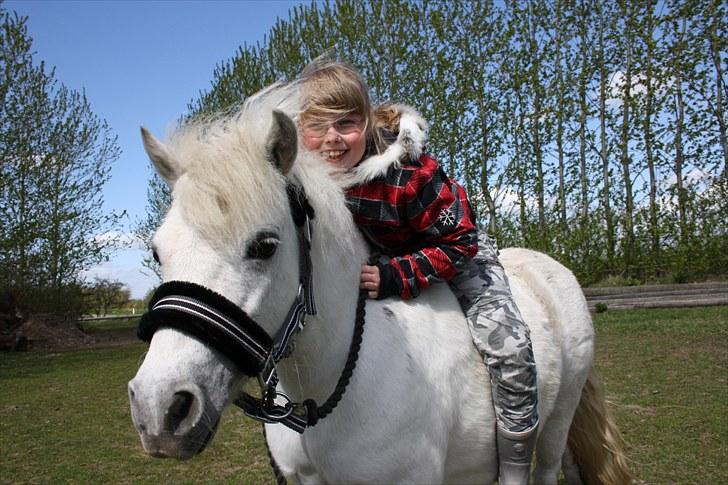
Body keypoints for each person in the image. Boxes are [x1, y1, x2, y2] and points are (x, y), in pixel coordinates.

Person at [298, 60, 539, 485]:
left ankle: (516, 472)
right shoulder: (309, 180)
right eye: (317, 126)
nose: (331, 139)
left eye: (346, 124)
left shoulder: (412, 175)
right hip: (382, 261)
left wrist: (397, 275)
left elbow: (460, 239)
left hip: (454, 254)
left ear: (368, 123)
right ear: (301, 130)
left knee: (511, 347)